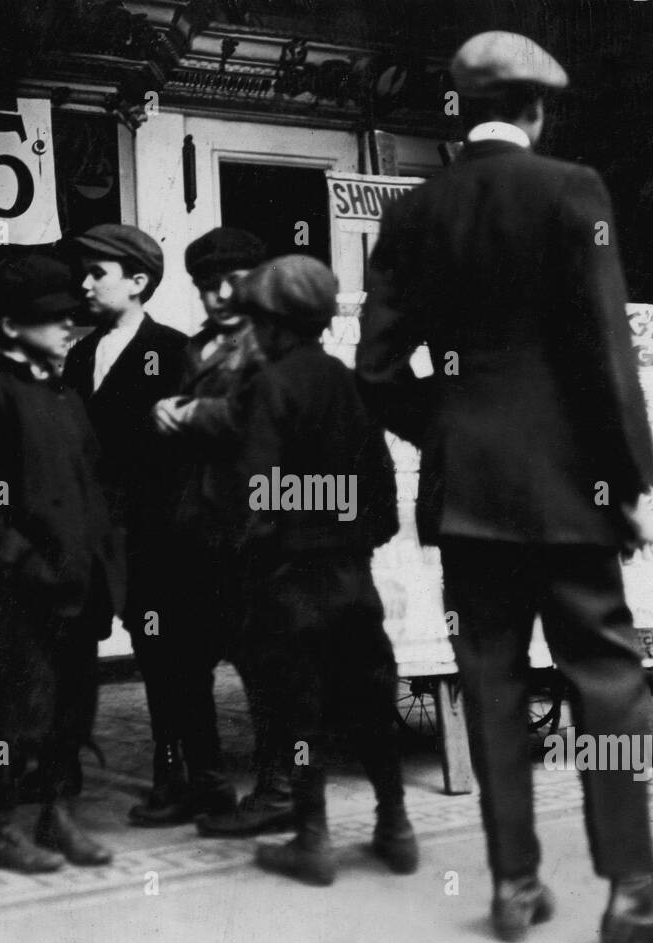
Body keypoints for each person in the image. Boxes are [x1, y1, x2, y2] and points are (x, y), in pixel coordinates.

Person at [356, 30, 653, 943]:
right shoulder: (571, 189)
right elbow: (605, 354)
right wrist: (629, 481)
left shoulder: (414, 214)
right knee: (610, 683)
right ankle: (631, 890)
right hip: (571, 488)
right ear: (538, 111)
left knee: (491, 685)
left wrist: (457, 433)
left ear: (460, 114)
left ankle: (513, 885)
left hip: (468, 498)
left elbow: (377, 371)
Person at [233, 254, 415, 886]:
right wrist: (347, 528)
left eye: (256, 321)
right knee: (370, 701)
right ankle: (395, 826)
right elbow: (384, 503)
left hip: (290, 584)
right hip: (353, 581)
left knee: (297, 712)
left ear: (276, 325)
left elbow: (258, 496)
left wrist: (265, 549)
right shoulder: (353, 384)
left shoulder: (269, 387)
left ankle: (312, 839)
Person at [0, 253, 116, 873]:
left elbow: (94, 487)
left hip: (82, 584)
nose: (71, 327)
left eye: (74, 317)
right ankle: (0, 824)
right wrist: (23, 570)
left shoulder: (66, 396)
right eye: (56, 318)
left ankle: (55, 816)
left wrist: (104, 564)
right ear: (12, 326)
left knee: (74, 707)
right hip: (30, 589)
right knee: (23, 709)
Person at [61, 225, 238, 824]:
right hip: (98, 535)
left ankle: (190, 777)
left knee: (172, 658)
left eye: (98, 273)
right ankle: (101, 770)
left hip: (161, 536)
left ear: (138, 283)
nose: (84, 284)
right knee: (110, 647)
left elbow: (193, 448)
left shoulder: (175, 350)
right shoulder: (82, 353)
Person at [143, 226, 296, 834]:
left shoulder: (280, 346)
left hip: (260, 530)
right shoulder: (195, 349)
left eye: (235, 281)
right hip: (199, 531)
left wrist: (190, 414)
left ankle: (280, 789)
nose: (222, 295)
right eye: (208, 287)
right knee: (185, 658)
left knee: (267, 668)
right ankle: (206, 784)